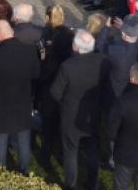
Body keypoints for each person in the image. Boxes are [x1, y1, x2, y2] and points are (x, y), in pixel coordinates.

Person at [51, 29, 109, 190]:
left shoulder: (68, 66)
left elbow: (56, 92)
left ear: (76, 47)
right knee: (92, 150)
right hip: (92, 114)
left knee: (70, 152)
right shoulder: (103, 61)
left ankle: (70, 185)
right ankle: (93, 183)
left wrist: (65, 103)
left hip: (71, 116)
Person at [0, 20, 41, 174]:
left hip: (1, 105)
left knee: (0, 141)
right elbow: (36, 73)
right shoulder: (29, 50)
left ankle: (0, 171)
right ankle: (24, 170)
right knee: (23, 139)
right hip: (22, 103)